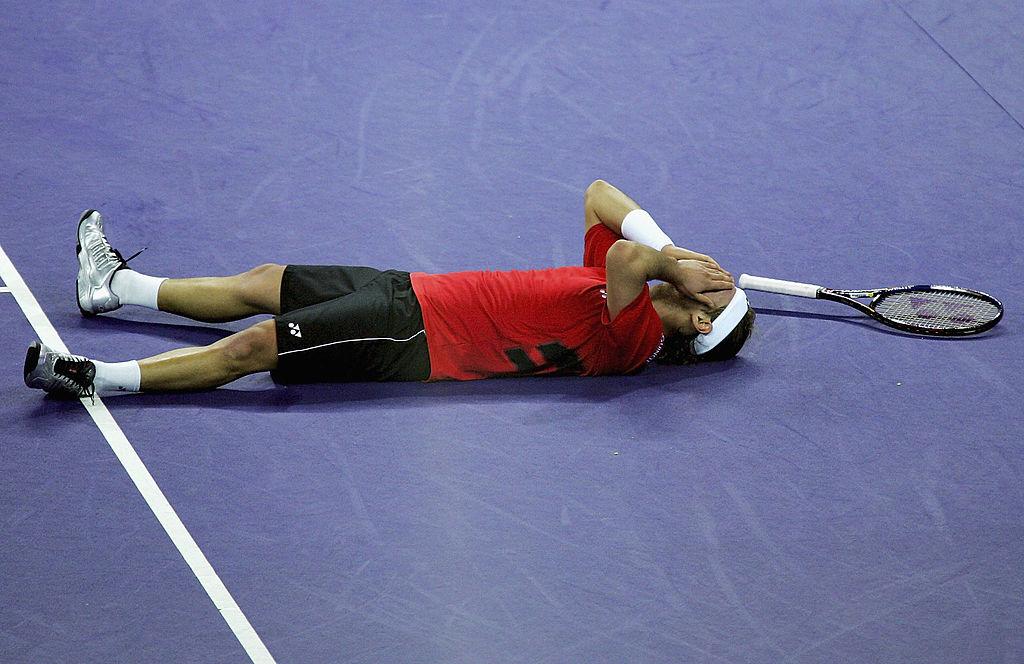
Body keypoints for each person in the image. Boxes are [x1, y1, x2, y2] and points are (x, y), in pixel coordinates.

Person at [24, 180, 754, 398]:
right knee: (264, 284)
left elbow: (627, 256)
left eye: (717, 290)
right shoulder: (636, 286)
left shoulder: (636, 337)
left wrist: (669, 263)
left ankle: (98, 378)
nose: (712, 273)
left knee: (255, 347)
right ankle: (114, 286)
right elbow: (599, 194)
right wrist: (674, 254)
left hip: (418, 336)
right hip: (414, 293)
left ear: (698, 322)